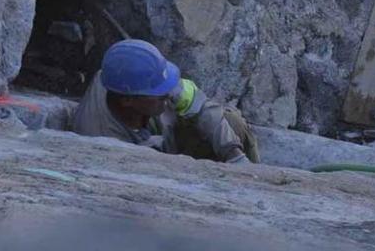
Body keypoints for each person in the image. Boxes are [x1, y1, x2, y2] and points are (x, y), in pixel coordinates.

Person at [71, 39, 259, 164]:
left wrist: (234, 155)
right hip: (147, 163)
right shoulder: (99, 139)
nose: (168, 94)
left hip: (167, 137)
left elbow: (202, 107)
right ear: (127, 100)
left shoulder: (131, 79)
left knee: (231, 122)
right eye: (158, 92)